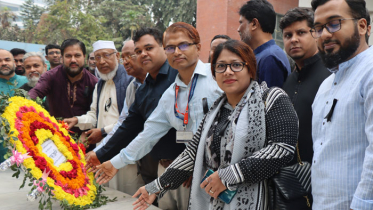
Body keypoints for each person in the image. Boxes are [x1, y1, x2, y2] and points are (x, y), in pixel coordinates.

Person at [131, 39, 298, 210]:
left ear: (250, 69)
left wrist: (228, 176)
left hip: (261, 201)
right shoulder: (215, 112)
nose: (228, 72)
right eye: (221, 66)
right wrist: (156, 187)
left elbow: (282, 148)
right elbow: (191, 155)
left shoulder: (271, 99)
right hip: (215, 201)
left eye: (236, 65)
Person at [93, 22, 223, 210]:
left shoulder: (218, 77)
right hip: (187, 174)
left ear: (198, 47)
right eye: (171, 47)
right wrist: (115, 163)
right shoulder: (170, 95)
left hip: (225, 175)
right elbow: (148, 135)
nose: (177, 52)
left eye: (183, 45)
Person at [83, 28, 183, 200]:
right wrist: (99, 154)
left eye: (149, 48)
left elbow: (198, 125)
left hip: (185, 169)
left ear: (164, 47)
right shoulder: (143, 89)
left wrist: (189, 164)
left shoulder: (180, 77)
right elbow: (128, 127)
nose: (143, 54)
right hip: (162, 167)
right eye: (138, 51)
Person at [310, 0, 373, 209]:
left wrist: (361, 204)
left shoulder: (369, 71)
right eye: (318, 28)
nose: (325, 34)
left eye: (334, 23)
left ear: (362, 26)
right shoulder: (326, 86)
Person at [280, 8, 330, 167]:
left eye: (300, 33)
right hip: (290, 182)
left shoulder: (331, 77)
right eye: (288, 35)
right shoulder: (288, 81)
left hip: (324, 178)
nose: (293, 39)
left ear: (316, 34)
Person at [63, 40, 133, 148]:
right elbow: (94, 116)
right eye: (97, 57)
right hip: (102, 149)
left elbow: (131, 119)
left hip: (125, 148)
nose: (102, 61)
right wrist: (77, 120)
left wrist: (103, 132)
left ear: (117, 56)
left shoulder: (130, 81)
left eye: (106, 55)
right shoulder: (100, 84)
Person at [29, 39, 98, 139]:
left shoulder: (93, 82)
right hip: (56, 137)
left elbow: (96, 114)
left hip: (85, 139)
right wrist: (23, 104)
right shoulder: (51, 76)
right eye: (68, 56)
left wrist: (87, 134)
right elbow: (35, 92)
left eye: (77, 55)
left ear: (84, 57)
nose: (73, 60)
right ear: (62, 58)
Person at [238, 0, 291, 87]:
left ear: (254, 24)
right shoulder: (264, 55)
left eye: (241, 23)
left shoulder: (270, 57)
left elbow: (268, 99)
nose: (238, 29)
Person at [0, 49, 28, 162]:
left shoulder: (28, 82)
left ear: (14, 63)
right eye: (0, 61)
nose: (3, 63)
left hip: (27, 145)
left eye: (7, 60)